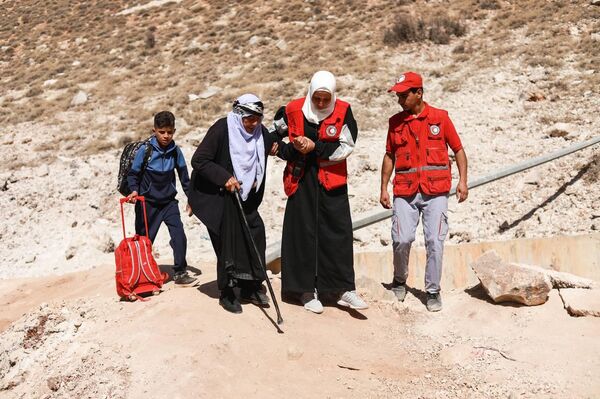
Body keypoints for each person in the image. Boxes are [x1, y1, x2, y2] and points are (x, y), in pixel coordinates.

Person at [272, 70, 368, 314]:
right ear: (310, 93)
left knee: (338, 231)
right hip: (301, 179)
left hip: (331, 179)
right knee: (302, 232)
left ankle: (342, 288)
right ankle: (305, 290)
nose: (322, 103)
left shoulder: (343, 111)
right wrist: (290, 150)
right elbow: (274, 136)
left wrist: (316, 147)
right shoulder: (292, 110)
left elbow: (346, 146)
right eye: (317, 98)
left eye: (326, 98)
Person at [380, 71, 468, 312]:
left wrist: (463, 181)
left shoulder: (441, 118)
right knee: (401, 238)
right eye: (397, 96)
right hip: (405, 191)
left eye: (403, 95)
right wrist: (383, 188)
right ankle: (399, 280)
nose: (399, 100)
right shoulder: (395, 123)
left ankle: (432, 291)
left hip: (436, 190)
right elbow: (389, 155)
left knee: (434, 240)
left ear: (418, 93)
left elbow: (458, 150)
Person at [188, 94, 277, 314]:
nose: (253, 123)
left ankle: (250, 286)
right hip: (218, 198)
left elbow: (276, 145)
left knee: (254, 235)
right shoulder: (222, 129)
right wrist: (224, 177)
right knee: (227, 243)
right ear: (238, 115)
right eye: (248, 119)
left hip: (245, 198)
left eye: (257, 118)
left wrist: (288, 146)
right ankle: (227, 292)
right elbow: (199, 160)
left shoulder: (260, 134)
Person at [126, 111, 197, 286]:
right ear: (154, 130)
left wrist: (192, 199)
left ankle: (180, 273)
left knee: (179, 235)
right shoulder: (146, 150)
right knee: (144, 241)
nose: (166, 136)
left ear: (174, 130)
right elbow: (133, 175)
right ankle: (141, 276)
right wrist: (134, 191)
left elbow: (184, 178)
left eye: (169, 132)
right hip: (147, 204)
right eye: (161, 132)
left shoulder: (175, 151)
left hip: (169, 203)